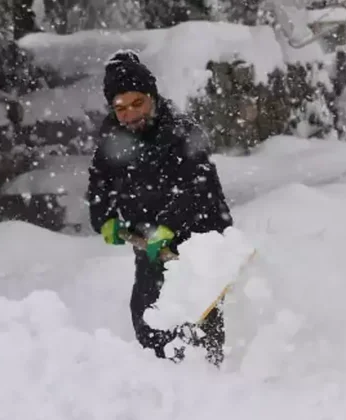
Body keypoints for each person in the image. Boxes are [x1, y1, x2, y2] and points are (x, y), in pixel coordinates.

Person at [86, 50, 233, 366]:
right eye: (120, 108)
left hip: (198, 241)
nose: (130, 114)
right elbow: (100, 182)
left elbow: (198, 188)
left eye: (137, 103)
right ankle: (166, 376)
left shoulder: (182, 132)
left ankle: (210, 375)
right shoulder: (112, 140)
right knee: (147, 314)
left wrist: (168, 225)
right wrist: (104, 218)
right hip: (150, 244)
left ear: (151, 97)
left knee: (197, 314)